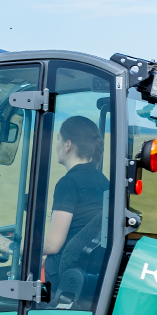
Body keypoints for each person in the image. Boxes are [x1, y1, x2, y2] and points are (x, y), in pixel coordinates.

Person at [43, 115, 109, 297]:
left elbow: (52, 245)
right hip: (80, 277)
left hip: (50, 285)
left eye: (59, 140)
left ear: (68, 145)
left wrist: (12, 246)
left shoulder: (68, 183)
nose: (57, 146)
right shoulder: (105, 183)